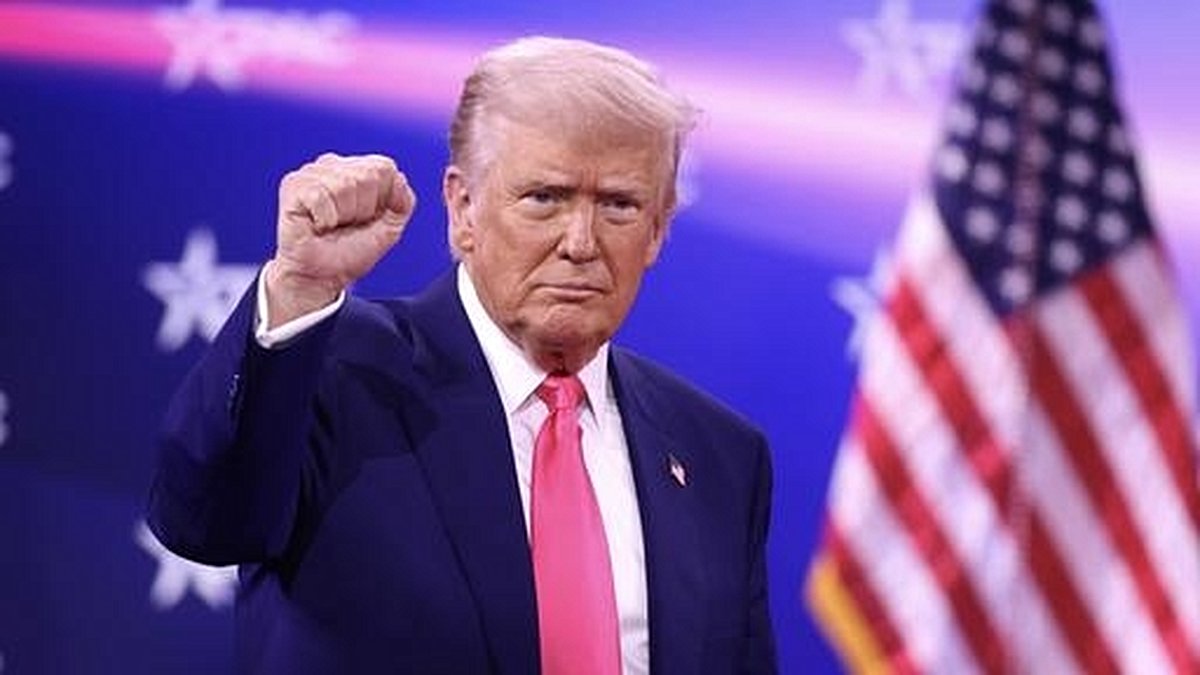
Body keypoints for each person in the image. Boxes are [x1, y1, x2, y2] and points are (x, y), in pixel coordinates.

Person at [148, 36, 776, 675]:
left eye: (619, 204)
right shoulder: (334, 371)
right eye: (546, 197)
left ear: (659, 229)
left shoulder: (720, 456)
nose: (581, 243)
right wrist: (298, 287)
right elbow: (204, 521)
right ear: (463, 207)